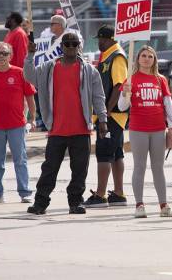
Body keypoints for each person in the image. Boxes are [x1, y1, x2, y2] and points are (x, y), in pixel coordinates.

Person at [24, 32, 107, 215]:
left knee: (79, 171)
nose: (70, 46)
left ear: (79, 46)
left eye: (74, 43)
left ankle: (75, 203)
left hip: (81, 129)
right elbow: (30, 76)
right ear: (61, 46)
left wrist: (103, 119)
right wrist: (30, 55)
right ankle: (40, 203)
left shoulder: (88, 70)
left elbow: (98, 96)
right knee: (49, 169)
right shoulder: (49, 68)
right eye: (67, 43)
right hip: (56, 130)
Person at [118, 45, 172, 218]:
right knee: (140, 167)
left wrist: (171, 127)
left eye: (150, 56)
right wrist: (125, 93)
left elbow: (168, 104)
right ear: (137, 59)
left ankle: (164, 206)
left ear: (154, 60)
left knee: (158, 167)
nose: (146, 59)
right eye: (143, 55)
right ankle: (139, 205)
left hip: (158, 129)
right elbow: (122, 107)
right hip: (138, 129)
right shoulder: (130, 79)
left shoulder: (161, 79)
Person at [0, 42, 36, 204]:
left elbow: (30, 96)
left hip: (17, 125)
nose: (1, 56)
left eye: (5, 53)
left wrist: (32, 117)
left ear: (10, 56)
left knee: (20, 160)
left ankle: (25, 192)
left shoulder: (20, 73)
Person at [83, 25, 128, 208]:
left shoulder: (116, 56)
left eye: (100, 39)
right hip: (112, 115)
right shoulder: (109, 55)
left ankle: (100, 195)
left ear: (108, 38)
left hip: (112, 115)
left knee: (104, 154)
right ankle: (118, 193)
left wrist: (105, 113)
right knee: (116, 154)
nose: (99, 42)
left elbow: (119, 86)